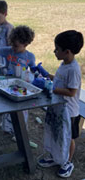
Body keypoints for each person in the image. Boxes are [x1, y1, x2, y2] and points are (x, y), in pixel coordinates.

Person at [37, 30, 83, 178]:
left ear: (67, 51)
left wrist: (51, 88)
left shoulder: (74, 69)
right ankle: (55, 156)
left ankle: (67, 162)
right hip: (58, 107)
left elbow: (71, 92)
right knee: (56, 132)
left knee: (68, 137)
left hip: (69, 112)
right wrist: (45, 74)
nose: (54, 51)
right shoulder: (64, 64)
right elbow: (58, 78)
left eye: (57, 49)